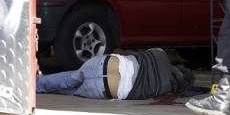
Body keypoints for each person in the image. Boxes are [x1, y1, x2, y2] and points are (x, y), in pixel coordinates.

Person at [36, 48, 195, 100]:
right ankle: (40, 87)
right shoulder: (164, 90)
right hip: (103, 88)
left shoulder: (160, 54)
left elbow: (140, 53)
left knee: (68, 77)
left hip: (100, 65)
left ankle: (34, 84)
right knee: (69, 90)